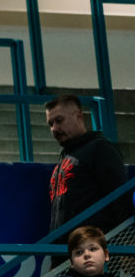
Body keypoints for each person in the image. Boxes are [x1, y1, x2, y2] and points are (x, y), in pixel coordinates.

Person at [46, 94, 132, 233]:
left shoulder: (99, 148)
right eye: (50, 124)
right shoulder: (65, 158)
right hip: (66, 244)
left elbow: (120, 196)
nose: (54, 128)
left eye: (59, 120)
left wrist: (125, 240)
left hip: (94, 241)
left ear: (79, 116)